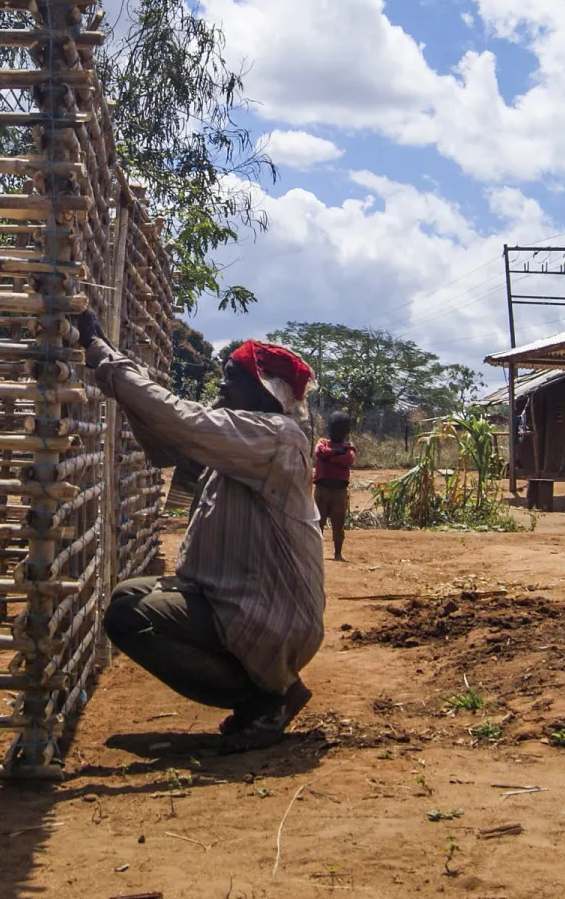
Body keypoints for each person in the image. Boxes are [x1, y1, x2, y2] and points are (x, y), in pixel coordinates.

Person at [75, 311, 325, 753]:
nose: (222, 387)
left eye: (232, 378)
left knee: (127, 619)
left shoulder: (275, 438)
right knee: (127, 595)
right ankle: (263, 693)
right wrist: (110, 366)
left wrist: (104, 357)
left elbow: (182, 421)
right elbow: (168, 442)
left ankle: (265, 699)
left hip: (265, 612)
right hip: (236, 598)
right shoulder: (244, 436)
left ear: (264, 390)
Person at [312, 413, 355, 561]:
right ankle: (316, 553)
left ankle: (338, 553)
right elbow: (319, 452)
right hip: (323, 490)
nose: (338, 433)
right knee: (318, 523)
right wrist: (337, 452)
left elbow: (348, 459)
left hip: (338, 491)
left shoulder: (348, 448)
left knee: (338, 523)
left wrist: (329, 456)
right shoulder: (323, 442)